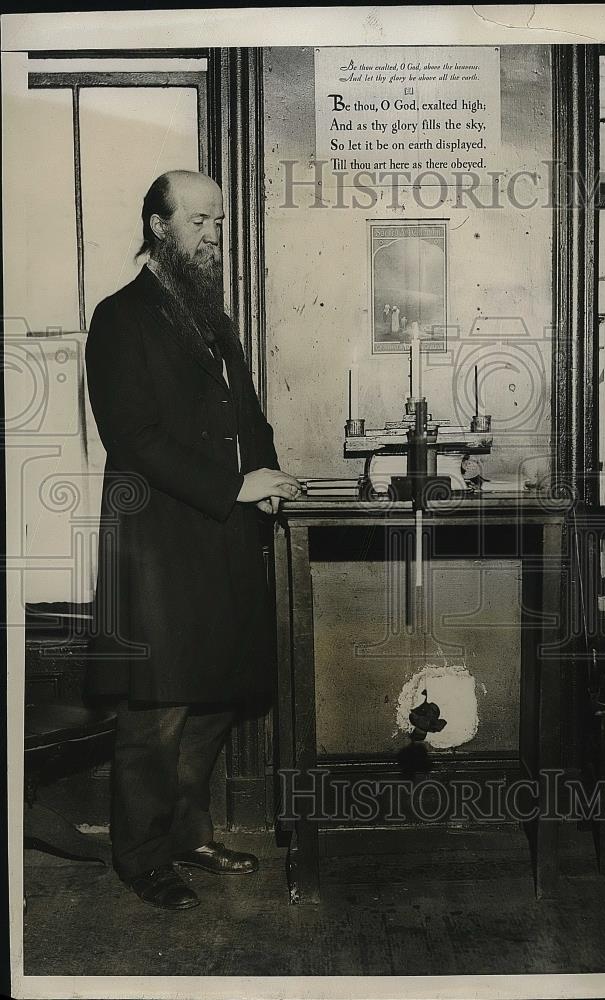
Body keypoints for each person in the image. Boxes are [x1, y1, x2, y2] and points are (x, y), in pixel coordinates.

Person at [85, 170, 301, 910]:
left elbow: (247, 412)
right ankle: (141, 857)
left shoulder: (212, 318)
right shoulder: (119, 317)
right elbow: (133, 437)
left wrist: (266, 473)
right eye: (199, 222)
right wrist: (233, 486)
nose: (213, 236)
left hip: (225, 538)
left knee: (215, 697)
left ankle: (188, 834)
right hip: (157, 548)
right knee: (158, 710)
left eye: (217, 222)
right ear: (157, 225)